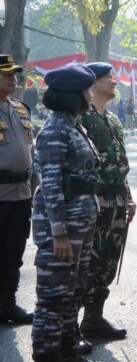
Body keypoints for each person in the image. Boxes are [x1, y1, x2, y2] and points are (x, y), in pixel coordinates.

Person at [30, 63, 98, 362]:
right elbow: (52, 185)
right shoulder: (55, 131)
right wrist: (58, 234)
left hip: (79, 223)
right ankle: (46, 353)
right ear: (74, 95)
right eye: (86, 90)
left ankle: (66, 345)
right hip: (62, 228)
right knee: (54, 296)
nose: (90, 94)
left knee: (73, 289)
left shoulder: (72, 124)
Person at [77, 63, 134, 343]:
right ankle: (70, 326)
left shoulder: (113, 119)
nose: (115, 81)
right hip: (95, 201)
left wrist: (129, 197)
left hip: (117, 201)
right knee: (88, 263)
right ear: (93, 83)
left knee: (108, 262)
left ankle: (93, 318)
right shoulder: (82, 118)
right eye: (109, 78)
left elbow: (120, 162)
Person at [0, 55, 38, 325]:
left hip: (22, 193)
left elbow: (30, 151)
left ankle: (7, 304)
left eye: (14, 74)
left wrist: (36, 186)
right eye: (7, 74)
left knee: (14, 253)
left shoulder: (21, 109)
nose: (14, 78)